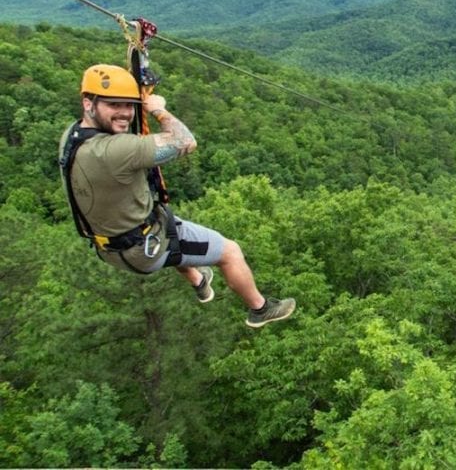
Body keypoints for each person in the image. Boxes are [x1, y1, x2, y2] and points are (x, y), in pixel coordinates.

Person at [59, 64, 295, 328]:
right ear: (88, 103)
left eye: (129, 104)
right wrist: (157, 108)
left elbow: (124, 133)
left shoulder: (73, 135)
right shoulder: (115, 151)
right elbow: (186, 141)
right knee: (230, 251)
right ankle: (259, 309)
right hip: (145, 248)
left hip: (110, 245)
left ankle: (198, 281)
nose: (125, 113)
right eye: (114, 105)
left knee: (176, 230)